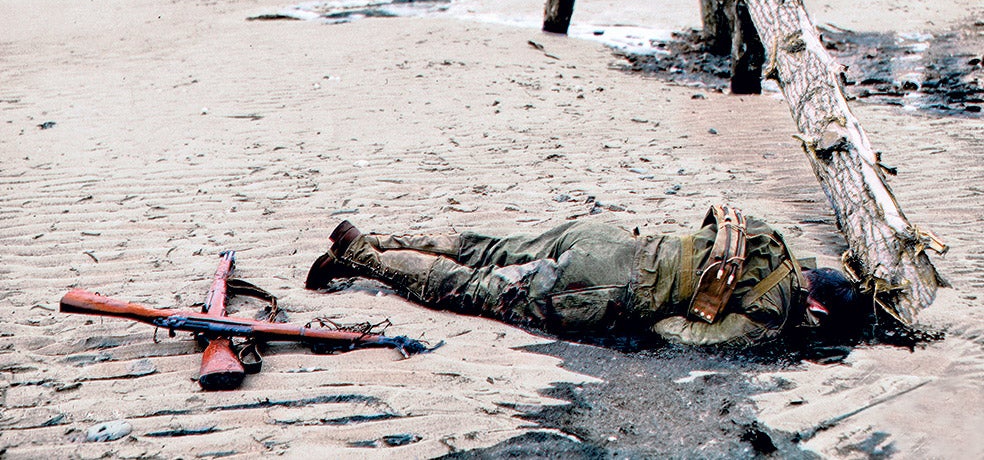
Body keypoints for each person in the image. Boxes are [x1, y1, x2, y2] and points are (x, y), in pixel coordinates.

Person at [305, 207, 868, 348]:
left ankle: (384, 234)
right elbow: (677, 335)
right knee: (475, 292)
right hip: (606, 285)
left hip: (611, 237)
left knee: (487, 247)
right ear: (813, 309)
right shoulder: (770, 316)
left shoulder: (774, 243)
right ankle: (362, 254)